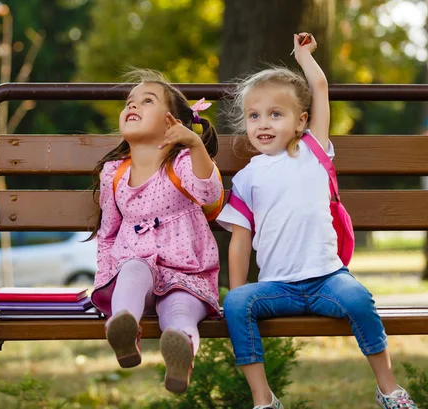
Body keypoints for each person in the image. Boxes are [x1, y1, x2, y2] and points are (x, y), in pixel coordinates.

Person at [217, 34, 418, 409]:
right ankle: (264, 400)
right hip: (277, 288)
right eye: (254, 115)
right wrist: (239, 293)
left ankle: (389, 389)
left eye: (276, 114)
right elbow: (240, 240)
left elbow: (320, 86)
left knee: (359, 299)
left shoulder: (312, 149)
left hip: (328, 278)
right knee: (236, 303)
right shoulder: (246, 178)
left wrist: (302, 55)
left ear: (301, 121)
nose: (263, 123)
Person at [90, 69, 223, 394]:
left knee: (180, 312)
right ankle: (123, 327)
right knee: (133, 270)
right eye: (129, 102)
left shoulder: (181, 165)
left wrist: (194, 144)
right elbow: (108, 234)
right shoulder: (115, 174)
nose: (132, 106)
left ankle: (180, 350)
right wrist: (103, 279)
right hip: (136, 276)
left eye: (146, 101)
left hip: (187, 277)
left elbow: (209, 194)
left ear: (170, 122)